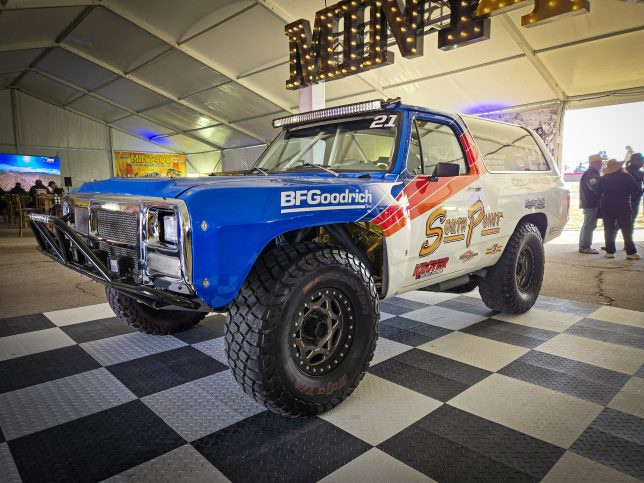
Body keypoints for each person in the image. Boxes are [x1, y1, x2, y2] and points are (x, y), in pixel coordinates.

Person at [597, 159, 640, 260]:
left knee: (608, 228)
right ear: (619, 167)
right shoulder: (626, 176)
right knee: (626, 228)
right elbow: (635, 189)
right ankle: (630, 252)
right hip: (623, 205)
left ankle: (609, 251)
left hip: (606, 205)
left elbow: (598, 191)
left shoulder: (604, 178)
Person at [578, 154, 603, 254]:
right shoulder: (591, 174)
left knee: (587, 225)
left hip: (589, 203)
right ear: (594, 163)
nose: (601, 164)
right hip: (591, 204)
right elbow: (595, 187)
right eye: (600, 162)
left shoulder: (590, 173)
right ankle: (585, 246)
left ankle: (583, 245)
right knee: (589, 225)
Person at [625, 153, 643, 225]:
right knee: (627, 222)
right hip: (629, 201)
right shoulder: (628, 171)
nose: (642, 162)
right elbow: (632, 188)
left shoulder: (639, 171)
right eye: (641, 160)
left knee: (630, 222)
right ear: (634, 161)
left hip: (635, 200)